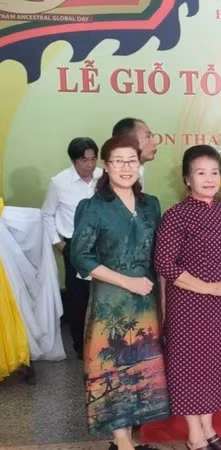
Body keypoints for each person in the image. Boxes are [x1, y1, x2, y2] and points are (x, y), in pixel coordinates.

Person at [70, 135, 168, 450]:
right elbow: (81, 257)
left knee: (140, 369)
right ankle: (121, 440)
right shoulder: (94, 207)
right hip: (110, 301)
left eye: (131, 160)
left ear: (139, 164)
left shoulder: (150, 204)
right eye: (118, 161)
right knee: (112, 367)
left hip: (146, 302)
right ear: (106, 166)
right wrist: (127, 282)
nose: (126, 167)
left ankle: (128, 440)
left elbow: (160, 254)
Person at [154, 145, 221, 450]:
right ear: (187, 179)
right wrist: (207, 287)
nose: (209, 179)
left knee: (215, 366)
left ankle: (209, 429)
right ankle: (194, 435)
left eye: (214, 172)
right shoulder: (177, 215)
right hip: (189, 305)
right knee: (191, 367)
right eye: (200, 173)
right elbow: (164, 262)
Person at [41, 137, 103, 359]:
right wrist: (58, 243)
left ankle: (101, 342)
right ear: (74, 160)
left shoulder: (103, 177)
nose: (90, 165)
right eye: (84, 160)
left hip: (102, 245)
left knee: (101, 295)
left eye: (93, 159)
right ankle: (80, 344)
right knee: (78, 297)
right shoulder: (59, 182)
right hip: (73, 246)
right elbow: (47, 214)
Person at [112, 118, 157, 188]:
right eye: (148, 136)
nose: (154, 143)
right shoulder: (121, 180)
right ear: (128, 140)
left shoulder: (138, 173)